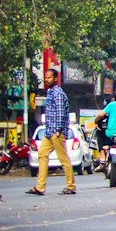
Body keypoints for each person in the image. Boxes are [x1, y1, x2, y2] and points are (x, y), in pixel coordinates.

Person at [28, 68, 76, 196]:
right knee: (42, 155)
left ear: (55, 79)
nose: (46, 79)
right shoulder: (50, 92)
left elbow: (60, 112)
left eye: (49, 77)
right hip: (49, 132)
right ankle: (40, 187)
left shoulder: (58, 94)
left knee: (63, 159)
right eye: (46, 77)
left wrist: (59, 130)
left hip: (56, 132)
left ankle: (71, 186)